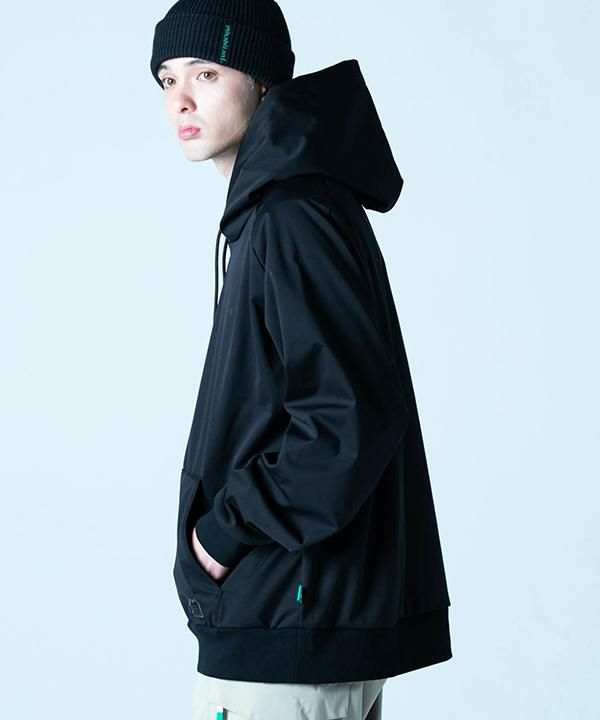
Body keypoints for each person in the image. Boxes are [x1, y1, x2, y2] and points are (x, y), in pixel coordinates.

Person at [150, 1, 453, 718]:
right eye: (166, 79)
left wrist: (223, 532)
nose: (180, 99)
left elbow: (347, 419)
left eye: (206, 72)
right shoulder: (284, 207)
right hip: (302, 616)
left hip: (287, 621)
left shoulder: (289, 216)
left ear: (262, 80)